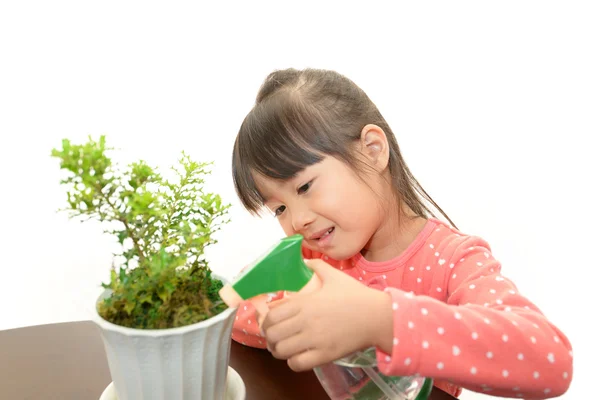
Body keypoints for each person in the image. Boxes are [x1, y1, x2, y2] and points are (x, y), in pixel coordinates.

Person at [228, 68, 573, 398]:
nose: (298, 221)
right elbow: (234, 307)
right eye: (279, 209)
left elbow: (550, 361)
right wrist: (281, 319)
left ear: (373, 150)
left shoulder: (452, 260)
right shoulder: (313, 259)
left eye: (304, 187)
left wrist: (380, 320)